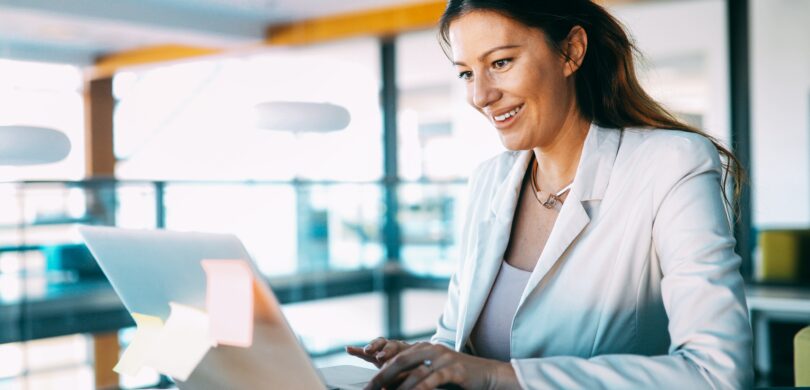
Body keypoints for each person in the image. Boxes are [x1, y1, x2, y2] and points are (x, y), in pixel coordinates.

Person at [346, 0, 753, 388]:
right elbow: (456, 337)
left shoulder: (670, 164)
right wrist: (427, 362)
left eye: (501, 63)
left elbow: (716, 373)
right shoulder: (489, 180)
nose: (480, 96)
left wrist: (498, 377)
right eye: (467, 73)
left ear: (571, 51)